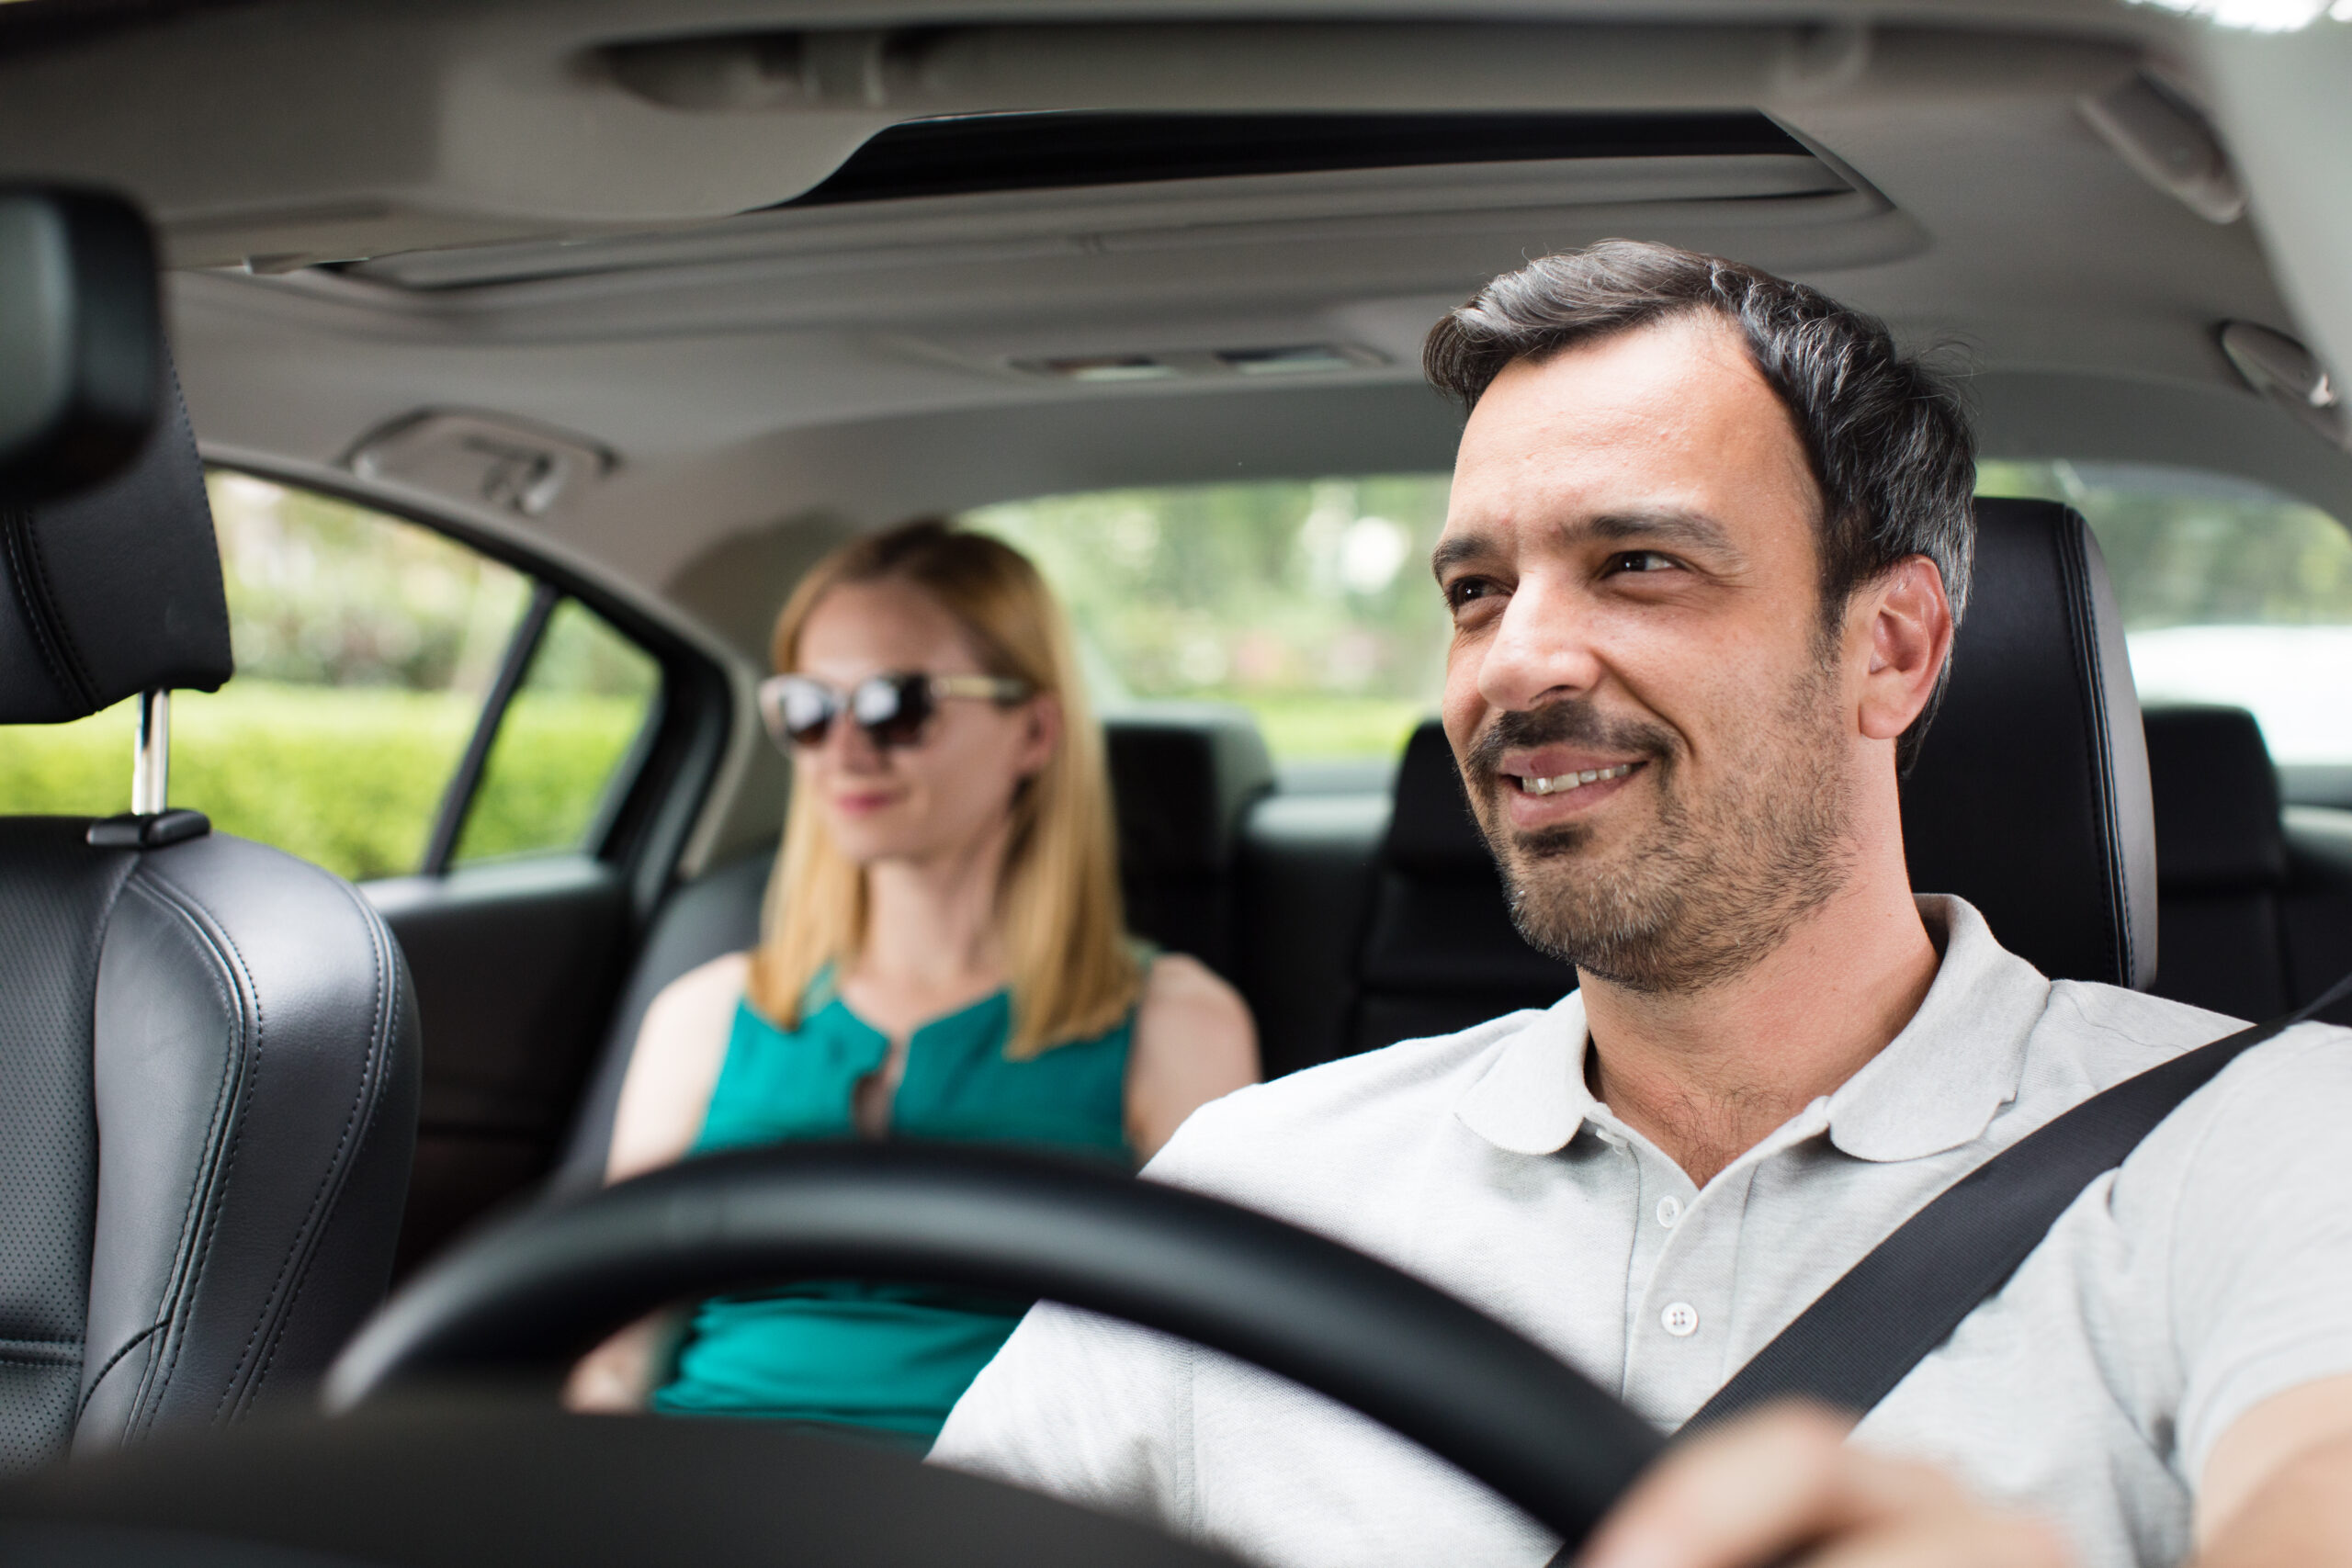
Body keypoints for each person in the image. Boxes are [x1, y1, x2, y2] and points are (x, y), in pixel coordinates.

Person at [930, 243, 2352, 1567]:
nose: (1517, 659)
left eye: (1639, 563)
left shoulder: (2268, 1138)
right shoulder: (1252, 1189)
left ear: (1894, 646)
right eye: (1477, 589)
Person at [566, 518, 1259, 1445]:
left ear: (1034, 730)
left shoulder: (1177, 1026)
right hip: (700, 1493)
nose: (844, 749)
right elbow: (615, 1351)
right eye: (810, 707)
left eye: (897, 704)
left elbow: (1220, 1373)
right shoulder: (703, 1015)